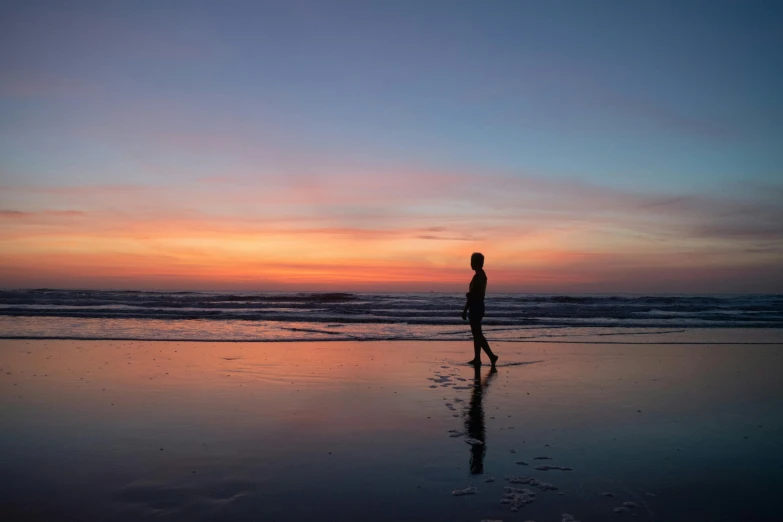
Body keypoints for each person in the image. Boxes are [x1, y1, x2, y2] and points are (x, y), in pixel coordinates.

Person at [462, 252, 498, 366]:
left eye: (471, 261)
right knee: (476, 333)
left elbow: (474, 294)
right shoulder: (480, 275)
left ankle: (491, 356)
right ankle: (477, 358)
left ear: (475, 263)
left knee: (477, 334)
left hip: (476, 306)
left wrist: (465, 308)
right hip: (477, 306)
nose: (470, 264)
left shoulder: (479, 276)